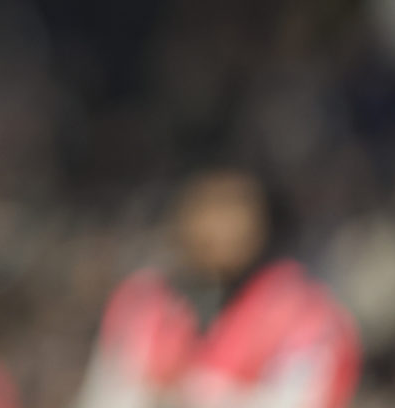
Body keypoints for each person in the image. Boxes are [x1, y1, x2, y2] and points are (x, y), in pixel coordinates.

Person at [74, 168, 362, 408]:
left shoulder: (303, 313)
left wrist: (181, 394)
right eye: (206, 206)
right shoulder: (143, 303)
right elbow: (105, 396)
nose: (218, 226)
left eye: (233, 207)